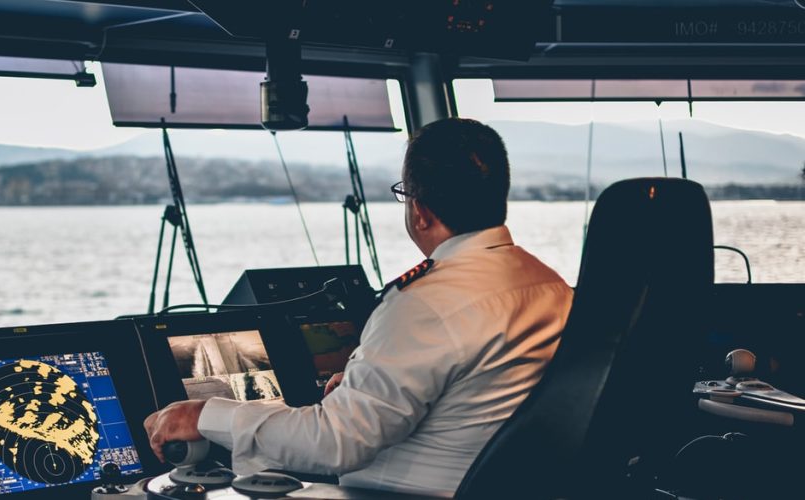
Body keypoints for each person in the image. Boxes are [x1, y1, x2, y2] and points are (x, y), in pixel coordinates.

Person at [143, 118, 574, 497]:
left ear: (420, 211)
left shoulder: (425, 302)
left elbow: (338, 442)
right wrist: (360, 388)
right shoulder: (550, 285)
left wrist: (208, 414)